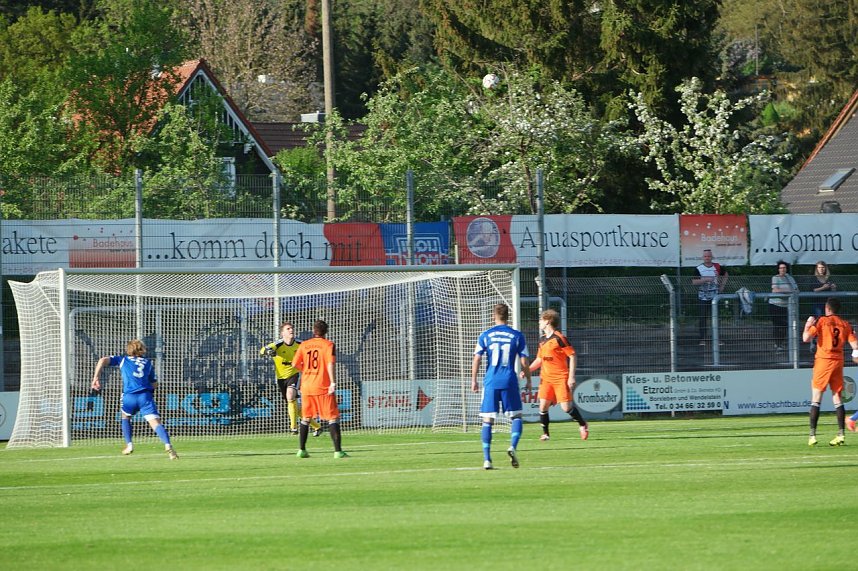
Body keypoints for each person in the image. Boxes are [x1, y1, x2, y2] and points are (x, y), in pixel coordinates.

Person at [91, 339, 178, 460]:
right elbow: (155, 384)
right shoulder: (147, 363)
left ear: (129, 349)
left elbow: (102, 360)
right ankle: (168, 445)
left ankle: (129, 445)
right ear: (142, 349)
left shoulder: (122, 360)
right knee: (155, 423)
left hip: (129, 397)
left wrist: (96, 378)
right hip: (144, 396)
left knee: (125, 417)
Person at [471, 303, 531, 470]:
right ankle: (512, 446)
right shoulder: (517, 335)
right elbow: (524, 361)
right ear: (508, 316)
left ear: (493, 316)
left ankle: (487, 459)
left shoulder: (485, 335)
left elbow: (477, 358)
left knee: (487, 420)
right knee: (516, 416)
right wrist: (529, 379)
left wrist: (474, 380)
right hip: (509, 380)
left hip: (491, 381)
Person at [526, 309, 589, 442]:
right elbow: (539, 359)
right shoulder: (542, 340)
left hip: (560, 377)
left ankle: (583, 424)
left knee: (566, 407)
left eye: (541, 320)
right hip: (546, 378)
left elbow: (572, 355)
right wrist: (527, 370)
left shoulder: (559, 338)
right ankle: (546, 434)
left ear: (548, 321)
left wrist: (571, 376)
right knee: (543, 406)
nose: (539, 322)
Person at [802, 298, 858, 446]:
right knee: (837, 398)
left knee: (816, 398)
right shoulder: (846, 325)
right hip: (838, 362)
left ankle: (812, 435)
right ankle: (840, 434)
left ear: (827, 309)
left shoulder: (821, 321)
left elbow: (806, 338)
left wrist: (807, 325)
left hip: (823, 360)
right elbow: (855, 345)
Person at [291, 319, 347, 458]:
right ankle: (338, 451)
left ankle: (302, 450)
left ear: (313, 331)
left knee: (306, 418)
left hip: (307, 386)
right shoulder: (328, 345)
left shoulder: (304, 345)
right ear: (325, 332)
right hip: (322, 386)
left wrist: (306, 370)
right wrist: (333, 383)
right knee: (332, 418)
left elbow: (294, 364)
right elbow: (330, 364)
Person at [260, 322, 322, 437]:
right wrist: (268, 352)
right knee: (295, 407)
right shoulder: (277, 344)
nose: (291, 330)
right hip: (281, 378)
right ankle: (317, 426)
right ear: (282, 333)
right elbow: (262, 350)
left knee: (290, 396)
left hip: (295, 375)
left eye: (292, 328)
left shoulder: (300, 344)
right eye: (288, 329)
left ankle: (293, 427)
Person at [691, 249, 728, 345]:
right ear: (703, 257)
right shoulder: (699, 268)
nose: (707, 258)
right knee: (703, 318)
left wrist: (722, 286)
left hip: (715, 297)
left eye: (709, 256)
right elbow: (694, 282)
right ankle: (703, 339)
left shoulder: (717, 266)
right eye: (705, 256)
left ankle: (717, 338)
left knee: (716, 318)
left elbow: (726, 274)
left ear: (712, 257)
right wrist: (705, 279)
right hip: (703, 297)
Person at [769, 260, 798, 351]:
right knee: (777, 325)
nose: (783, 270)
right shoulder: (775, 278)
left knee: (785, 325)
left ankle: (781, 342)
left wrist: (786, 290)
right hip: (775, 305)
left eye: (784, 268)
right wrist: (788, 291)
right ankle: (777, 344)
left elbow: (796, 289)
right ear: (778, 269)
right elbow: (775, 290)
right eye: (781, 268)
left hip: (787, 306)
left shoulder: (789, 278)